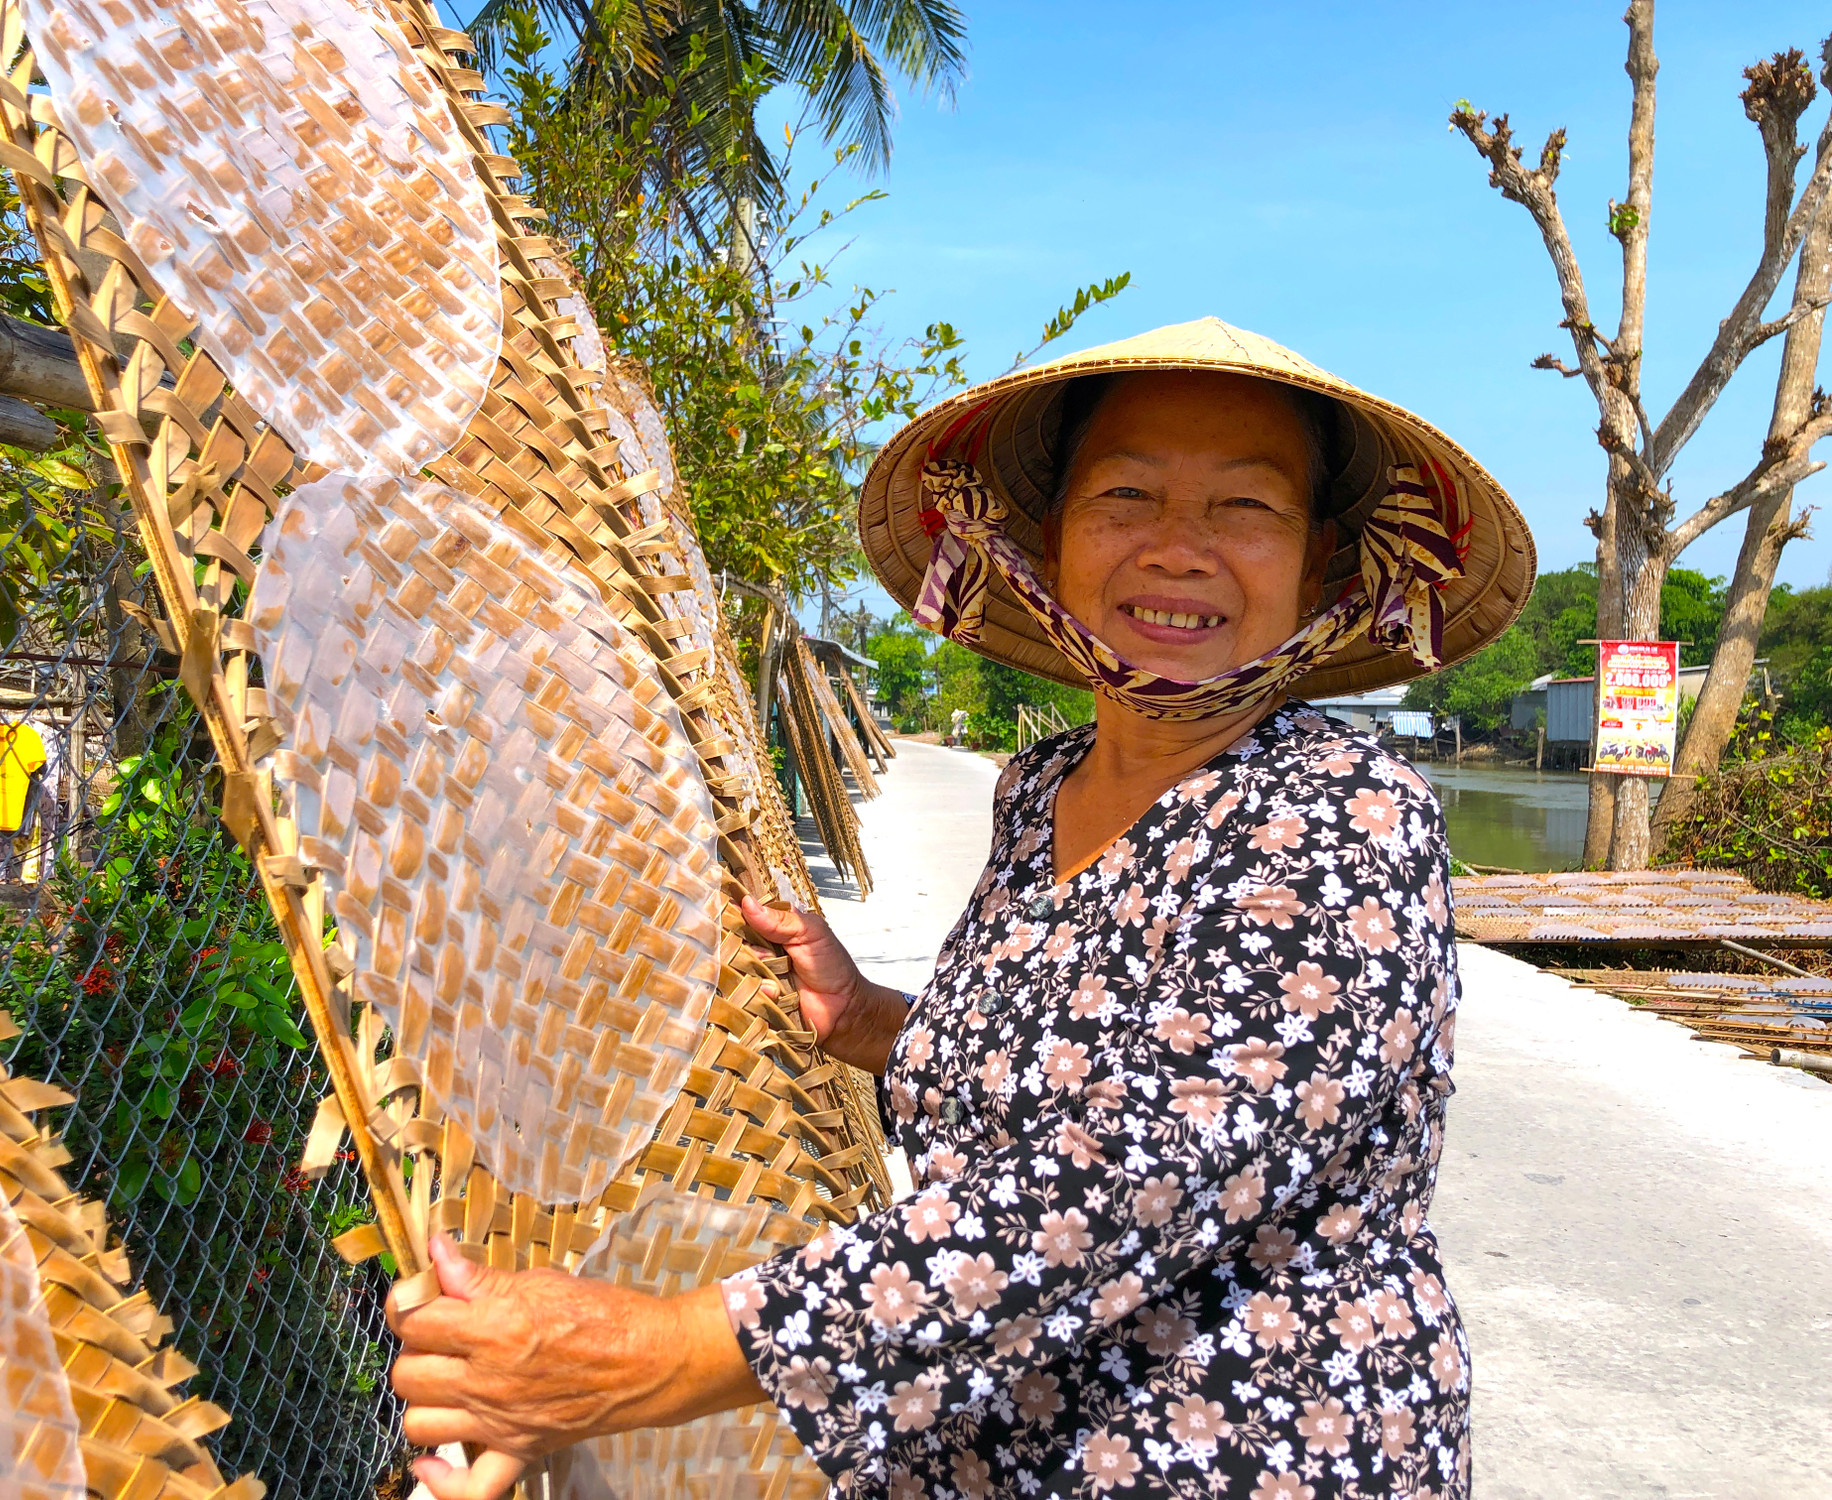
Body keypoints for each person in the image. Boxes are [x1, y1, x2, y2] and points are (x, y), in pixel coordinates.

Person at [386, 318, 1535, 1499]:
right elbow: (1072, 1066)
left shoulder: (1344, 812)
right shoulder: (1038, 788)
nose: (1176, 550)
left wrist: (645, 1355)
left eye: (1243, 508)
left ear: (1321, 559)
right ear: (1049, 539)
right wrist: (880, 1023)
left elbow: (1129, 1179)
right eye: (1124, 495)